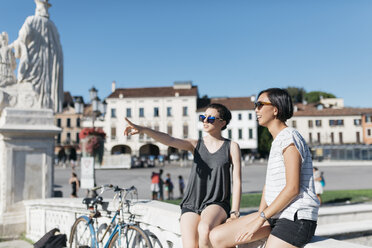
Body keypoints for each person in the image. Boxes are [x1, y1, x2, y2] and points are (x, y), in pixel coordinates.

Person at [210, 88, 319, 248]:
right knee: (217, 237)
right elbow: (270, 185)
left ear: (276, 109)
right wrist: (259, 216)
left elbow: (293, 188)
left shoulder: (289, 137)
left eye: (260, 104)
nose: (256, 109)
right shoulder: (277, 140)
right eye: (256, 105)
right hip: (275, 214)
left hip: (296, 218)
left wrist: (260, 219)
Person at [124, 103, 242, 248]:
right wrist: (144, 130)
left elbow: (237, 181)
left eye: (210, 118)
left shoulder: (231, 146)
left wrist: (234, 212)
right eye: (202, 117)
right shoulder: (195, 144)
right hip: (191, 202)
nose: (205, 121)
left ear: (222, 123)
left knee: (204, 229)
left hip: (216, 202)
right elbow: (169, 140)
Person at [11, 0, 63, 112]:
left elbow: (23, 38)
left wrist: (13, 46)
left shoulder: (31, 20)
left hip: (33, 62)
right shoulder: (52, 26)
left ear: (37, 9)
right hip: (47, 68)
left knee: (29, 83)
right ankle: (42, 102)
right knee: (43, 86)